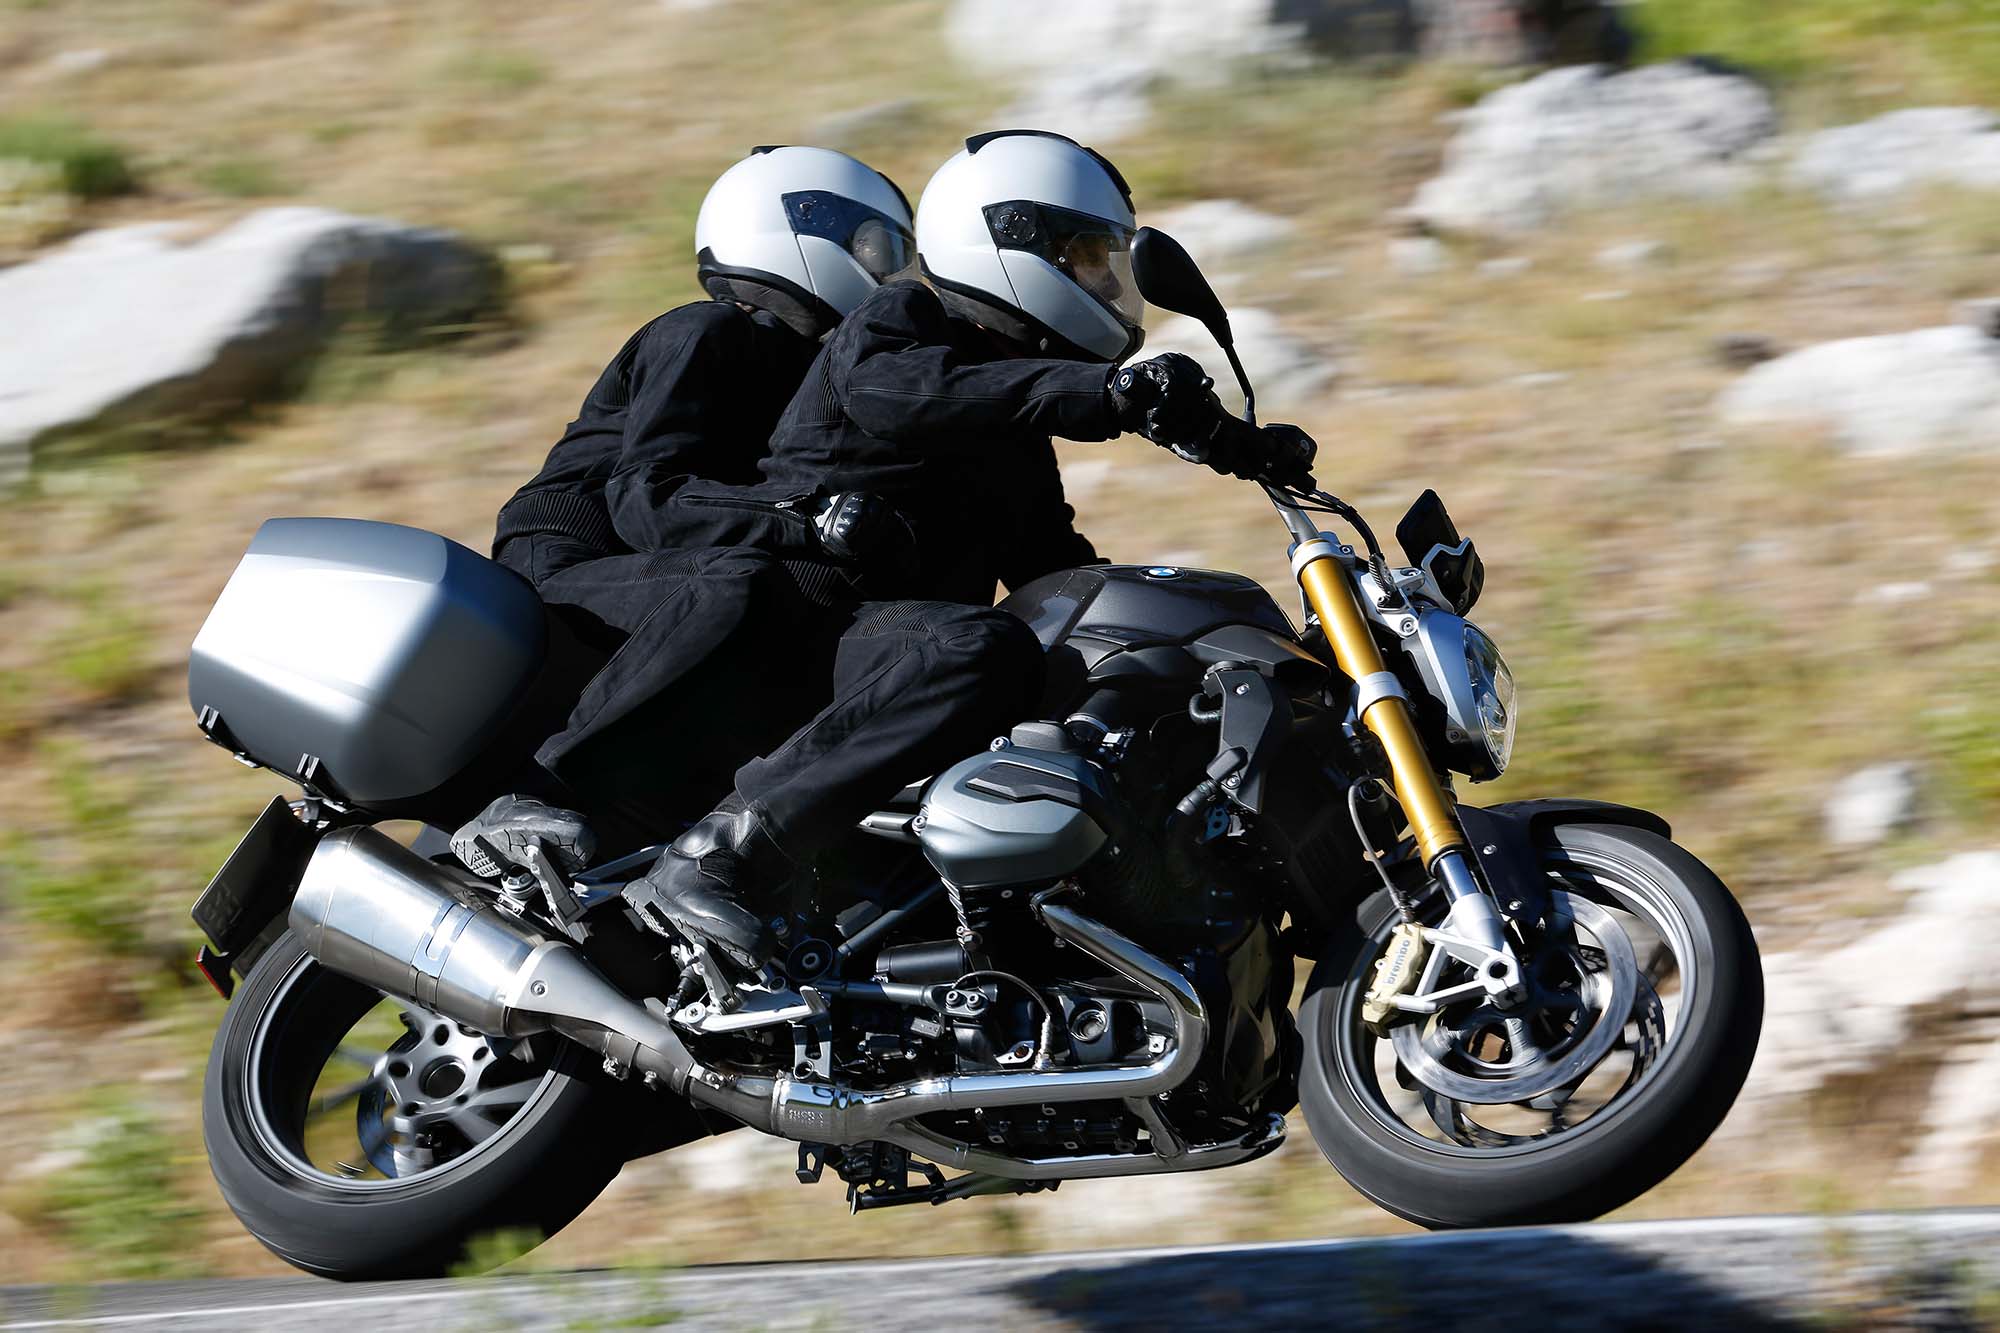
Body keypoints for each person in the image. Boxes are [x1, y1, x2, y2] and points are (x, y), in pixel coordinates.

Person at [623, 129, 1314, 971]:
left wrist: (1239, 454)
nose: (1108, 283)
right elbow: (913, 396)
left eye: (1108, 262)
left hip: (894, 668)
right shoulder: (901, 325)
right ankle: (716, 854)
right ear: (1007, 242)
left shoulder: (1015, 426)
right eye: (1086, 257)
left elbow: (1058, 577)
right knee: (980, 644)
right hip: (810, 627)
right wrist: (1106, 393)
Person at [453, 146, 918, 875]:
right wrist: (809, 519)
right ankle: (526, 794)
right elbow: (646, 498)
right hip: (568, 561)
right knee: (735, 584)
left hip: (646, 565)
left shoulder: (804, 365)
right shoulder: (706, 330)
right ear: (798, 231)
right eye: (875, 248)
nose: (889, 274)